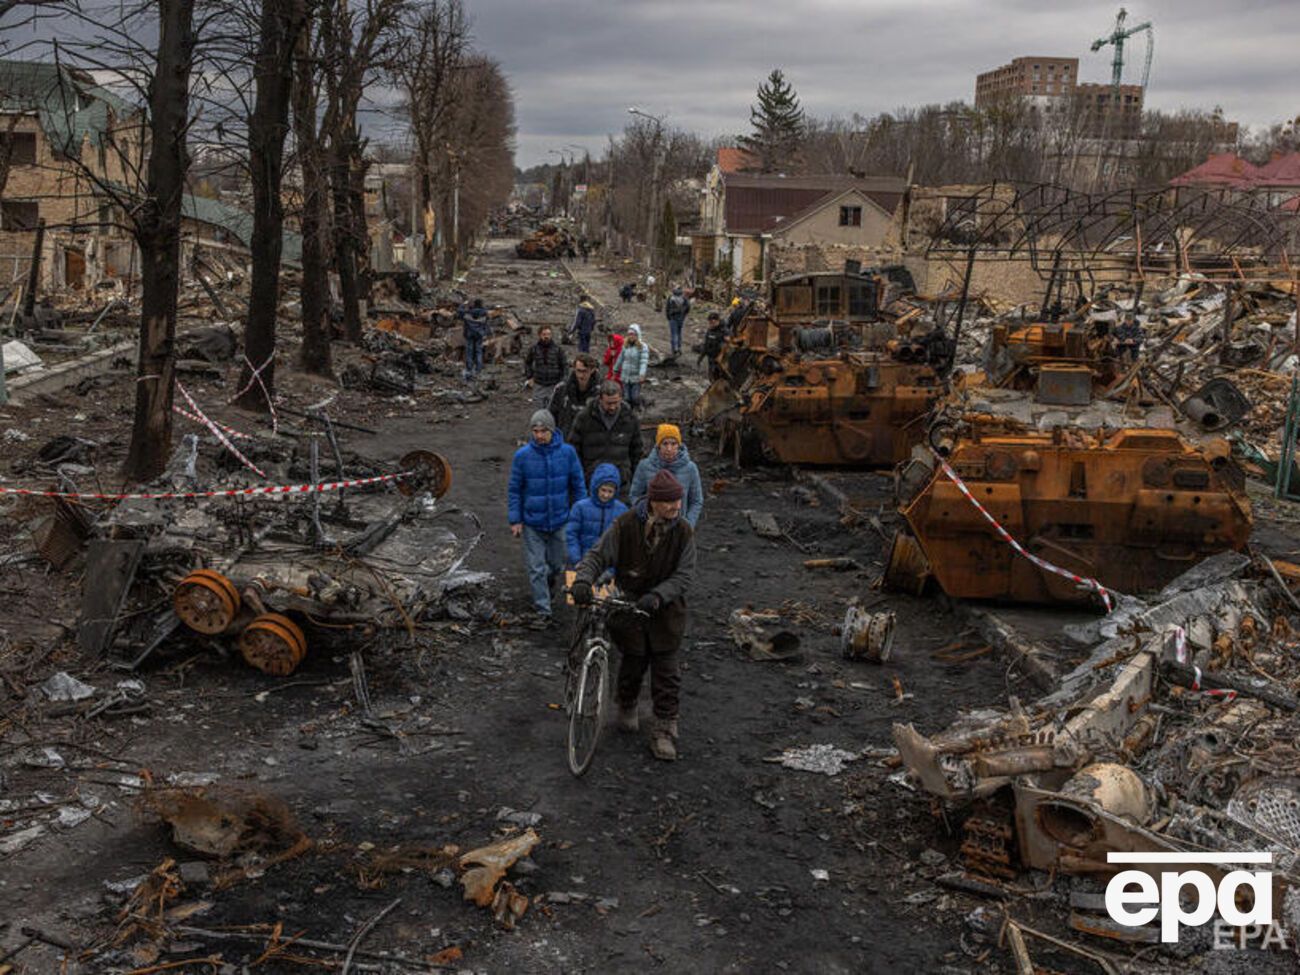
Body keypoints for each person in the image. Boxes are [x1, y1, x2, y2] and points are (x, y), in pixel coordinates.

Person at [571, 469, 695, 761]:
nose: (676, 506)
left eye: (678, 501)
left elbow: (684, 576)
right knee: (632, 664)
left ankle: (664, 731)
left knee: (667, 675)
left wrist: (659, 595)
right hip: (629, 610)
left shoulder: (684, 531)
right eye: (669, 502)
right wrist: (582, 580)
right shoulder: (625, 525)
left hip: (666, 614)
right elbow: (597, 555)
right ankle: (626, 706)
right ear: (653, 501)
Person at [508, 409, 586, 624]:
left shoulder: (567, 453)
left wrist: (580, 515)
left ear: (552, 430)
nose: (539, 435)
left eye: (543, 431)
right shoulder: (522, 457)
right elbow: (514, 489)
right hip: (532, 521)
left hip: (560, 520)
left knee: (557, 565)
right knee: (536, 568)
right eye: (535, 430)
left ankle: (549, 583)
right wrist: (515, 520)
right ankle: (543, 611)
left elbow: (578, 485)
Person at [567, 379, 643, 488]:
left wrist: (633, 479)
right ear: (600, 399)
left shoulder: (630, 419)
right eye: (609, 403)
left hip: (621, 483)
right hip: (591, 481)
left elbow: (637, 451)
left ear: (621, 398)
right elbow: (573, 449)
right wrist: (581, 475)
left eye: (615, 402)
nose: (612, 407)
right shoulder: (584, 417)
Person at [629, 424, 704, 528]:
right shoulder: (645, 466)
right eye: (665, 444)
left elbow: (696, 500)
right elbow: (634, 495)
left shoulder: (690, 468)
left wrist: (688, 524)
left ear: (679, 445)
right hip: (650, 526)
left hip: (679, 527)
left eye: (673, 444)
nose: (669, 448)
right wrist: (645, 516)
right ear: (658, 445)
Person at [565, 463, 628, 567]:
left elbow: (624, 541)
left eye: (610, 491)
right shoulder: (580, 507)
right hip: (583, 562)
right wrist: (576, 559)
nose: (606, 495)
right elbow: (571, 535)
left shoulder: (622, 510)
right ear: (596, 487)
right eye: (603, 490)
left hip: (609, 565)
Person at [547, 353, 599, 435]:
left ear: (592, 370)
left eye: (585, 371)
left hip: (589, 441)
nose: (581, 375)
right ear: (574, 369)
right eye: (579, 371)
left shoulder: (600, 393)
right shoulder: (561, 390)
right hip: (565, 438)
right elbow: (551, 415)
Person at [524, 325, 566, 407]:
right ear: (539, 335)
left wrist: (563, 380)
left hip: (554, 385)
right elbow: (527, 363)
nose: (546, 336)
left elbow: (565, 366)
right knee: (538, 410)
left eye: (549, 334)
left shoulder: (558, 350)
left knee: (552, 410)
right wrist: (529, 377)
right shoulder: (534, 349)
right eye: (544, 334)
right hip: (539, 384)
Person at [614, 324, 649, 409]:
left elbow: (643, 361)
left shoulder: (642, 347)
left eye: (633, 334)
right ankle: (628, 412)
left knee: (634, 397)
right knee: (626, 397)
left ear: (637, 335)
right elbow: (620, 358)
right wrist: (616, 368)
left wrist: (642, 374)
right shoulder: (625, 346)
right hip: (625, 376)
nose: (631, 336)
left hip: (636, 376)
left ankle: (640, 405)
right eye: (629, 334)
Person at [459, 298, 490, 381]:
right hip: (479, 334)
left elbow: (459, 311)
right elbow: (487, 320)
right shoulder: (484, 313)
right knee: (478, 351)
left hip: (469, 334)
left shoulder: (468, 313)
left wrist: (464, 304)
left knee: (469, 351)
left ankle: (469, 368)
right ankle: (478, 368)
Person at [665, 286, 690, 357]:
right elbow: (688, 308)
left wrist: (668, 317)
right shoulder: (684, 298)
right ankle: (679, 348)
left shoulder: (671, 298)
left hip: (673, 318)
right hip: (680, 318)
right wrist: (684, 315)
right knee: (679, 333)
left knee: (674, 334)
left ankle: (674, 349)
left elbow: (667, 308)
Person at [700, 311, 726, 380]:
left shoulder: (724, 331)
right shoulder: (710, 330)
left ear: (717, 321)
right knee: (711, 375)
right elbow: (706, 344)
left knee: (718, 377)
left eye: (712, 322)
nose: (711, 324)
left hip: (719, 359)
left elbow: (728, 346)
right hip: (710, 357)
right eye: (710, 322)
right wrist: (701, 356)